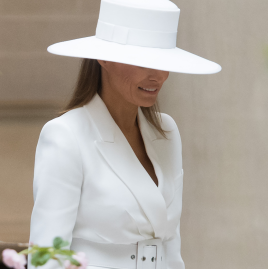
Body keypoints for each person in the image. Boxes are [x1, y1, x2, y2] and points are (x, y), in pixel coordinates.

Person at [28, 1, 221, 269]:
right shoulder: (65, 136)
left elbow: (171, 244)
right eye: (145, 62)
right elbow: (47, 255)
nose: (159, 76)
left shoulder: (166, 132)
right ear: (104, 58)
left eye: (165, 62)